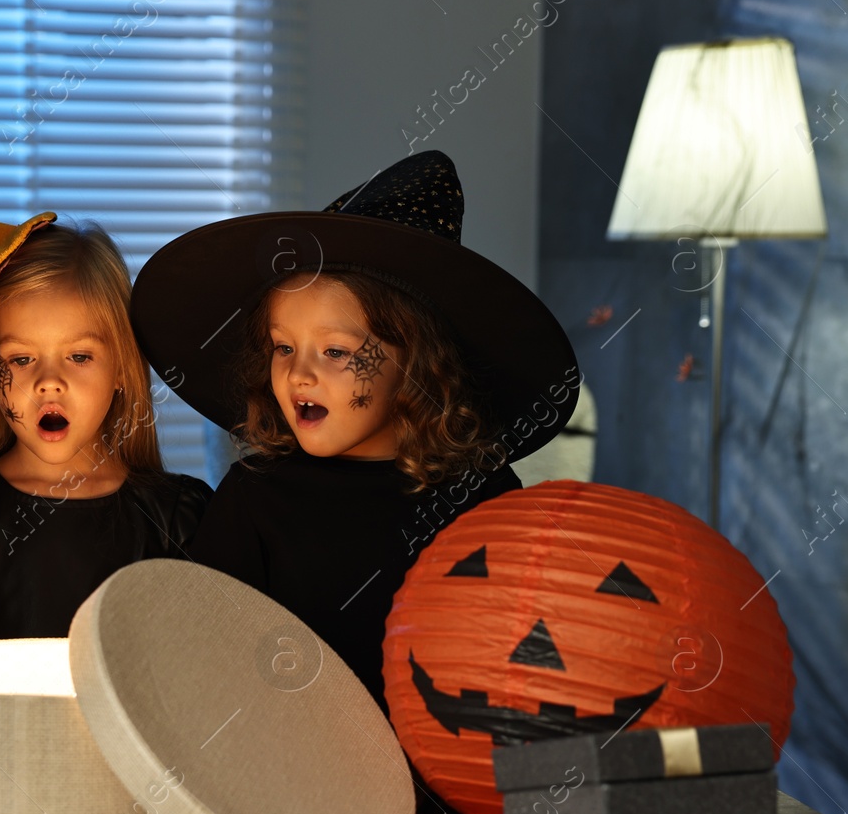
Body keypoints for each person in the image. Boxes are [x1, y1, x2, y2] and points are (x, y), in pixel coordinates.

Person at [130, 150, 581, 713]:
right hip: (295, 769)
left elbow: (514, 657)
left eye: (336, 350)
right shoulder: (255, 497)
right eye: (283, 347)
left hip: (444, 776)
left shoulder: (482, 498)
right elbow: (205, 660)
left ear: (414, 364)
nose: (299, 373)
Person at [0, 190, 212, 643]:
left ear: (123, 368)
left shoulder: (180, 519)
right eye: (22, 359)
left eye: (79, 356)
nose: (50, 383)